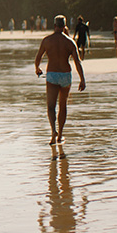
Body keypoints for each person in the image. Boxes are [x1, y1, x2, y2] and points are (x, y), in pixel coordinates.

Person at [35, 15, 87, 145]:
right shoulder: (70, 42)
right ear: (64, 27)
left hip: (52, 74)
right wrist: (82, 79)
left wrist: (37, 68)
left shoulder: (47, 40)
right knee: (63, 105)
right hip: (65, 75)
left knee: (51, 106)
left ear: (54, 26)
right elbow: (77, 62)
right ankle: (61, 134)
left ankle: (53, 131)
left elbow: (38, 57)